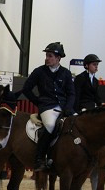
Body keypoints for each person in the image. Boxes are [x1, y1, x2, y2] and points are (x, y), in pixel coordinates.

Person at [18, 42, 75, 171]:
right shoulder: (39, 72)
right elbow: (26, 89)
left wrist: (68, 108)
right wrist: (38, 102)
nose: (47, 58)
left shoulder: (66, 73)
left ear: (58, 58)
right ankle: (39, 158)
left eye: (50, 56)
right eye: (47, 55)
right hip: (47, 107)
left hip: (64, 107)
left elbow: (71, 93)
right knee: (50, 125)